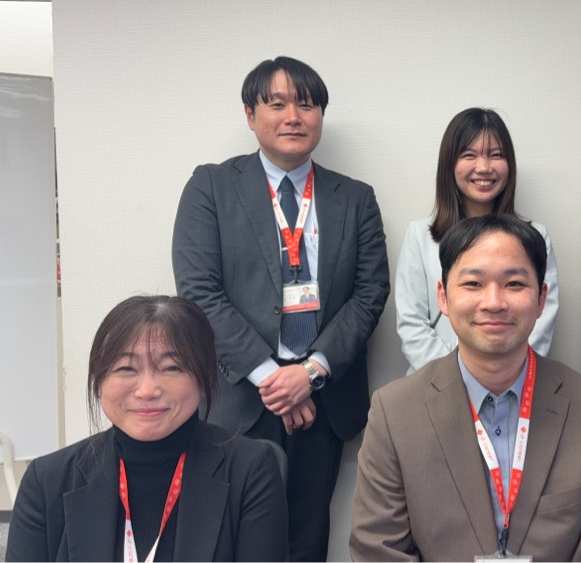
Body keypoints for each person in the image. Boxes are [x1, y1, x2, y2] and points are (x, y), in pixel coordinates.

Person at [171, 56, 390, 561]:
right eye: (277, 104)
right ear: (250, 115)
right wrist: (274, 379)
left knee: (307, 537)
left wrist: (310, 373)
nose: (294, 116)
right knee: (229, 537)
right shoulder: (211, 187)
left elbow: (370, 293)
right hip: (240, 398)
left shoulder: (355, 198)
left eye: (306, 104)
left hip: (323, 398)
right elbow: (199, 292)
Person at [350, 214, 581, 561]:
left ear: (541, 298)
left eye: (514, 284)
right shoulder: (394, 413)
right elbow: (378, 550)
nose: (493, 302)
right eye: (473, 283)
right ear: (443, 296)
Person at [5, 296, 288, 562]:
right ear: (99, 381)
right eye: (126, 368)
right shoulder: (47, 482)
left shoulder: (250, 470)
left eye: (171, 367)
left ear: (204, 379)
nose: (147, 390)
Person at [394, 107, 559, 374]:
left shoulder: (535, 237)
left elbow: (539, 324)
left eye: (496, 155)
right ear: (450, 164)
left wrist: (499, 374)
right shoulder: (419, 235)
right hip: (434, 382)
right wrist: (458, 379)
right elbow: (411, 324)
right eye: (469, 155)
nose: (484, 167)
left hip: (514, 382)